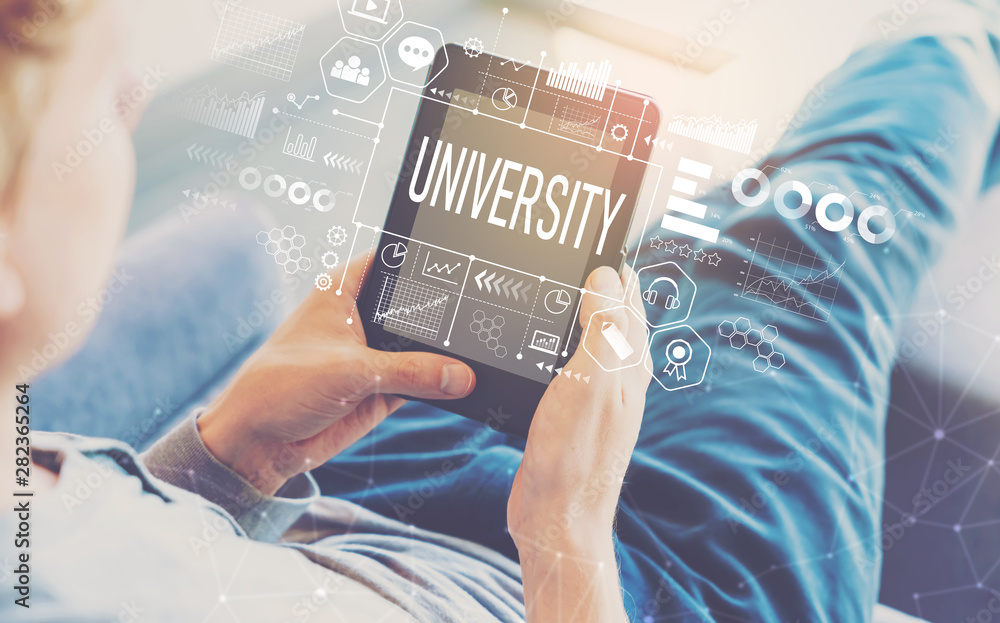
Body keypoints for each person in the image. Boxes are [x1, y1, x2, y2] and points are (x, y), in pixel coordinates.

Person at [1, 1, 998, 623]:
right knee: (805, 233)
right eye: (97, 97)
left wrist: (227, 457)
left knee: (614, 274)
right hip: (651, 590)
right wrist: (566, 536)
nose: (134, 93)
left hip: (333, 503)